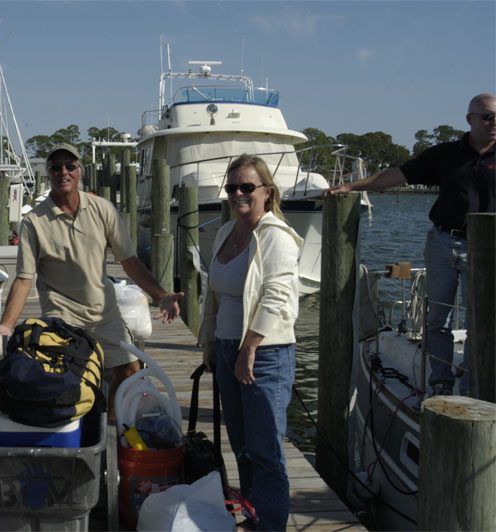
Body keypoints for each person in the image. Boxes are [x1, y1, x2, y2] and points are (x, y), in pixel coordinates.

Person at [0, 143, 183, 414]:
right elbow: (23, 279)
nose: (63, 172)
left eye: (70, 166)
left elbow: (130, 262)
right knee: (68, 377)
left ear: (80, 172)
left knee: (129, 369)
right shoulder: (33, 221)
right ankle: (81, 430)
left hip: (104, 312)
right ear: (48, 173)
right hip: (61, 314)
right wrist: (6, 325)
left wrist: (161, 296)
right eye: (56, 167)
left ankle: (108, 428)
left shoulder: (103, 209)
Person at [324, 93, 496, 396]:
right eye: (487, 116)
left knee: (479, 322)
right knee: (436, 319)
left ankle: (472, 389)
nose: (493, 123)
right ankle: (440, 384)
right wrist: (352, 186)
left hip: (486, 250)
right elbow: (397, 175)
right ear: (470, 119)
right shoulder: (446, 153)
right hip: (443, 242)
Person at [198, 154, 303, 531]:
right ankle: (252, 515)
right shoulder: (227, 232)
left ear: (267, 192)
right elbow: (213, 293)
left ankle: (271, 523)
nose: (238, 193)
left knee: (266, 449)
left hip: (265, 353)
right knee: (241, 443)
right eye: (232, 187)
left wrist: (249, 349)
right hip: (228, 349)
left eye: (247, 187)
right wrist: (210, 342)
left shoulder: (276, 236)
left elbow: (275, 296)